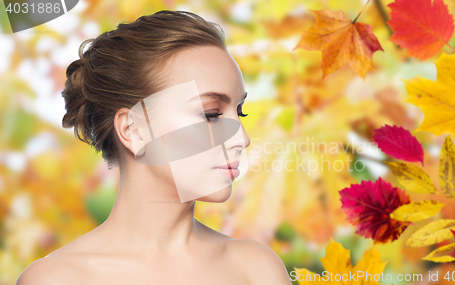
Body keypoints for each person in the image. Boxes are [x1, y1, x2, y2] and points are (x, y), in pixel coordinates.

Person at [17, 10, 291, 285]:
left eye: (239, 111)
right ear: (132, 130)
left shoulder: (258, 270)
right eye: (211, 114)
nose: (242, 139)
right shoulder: (58, 279)